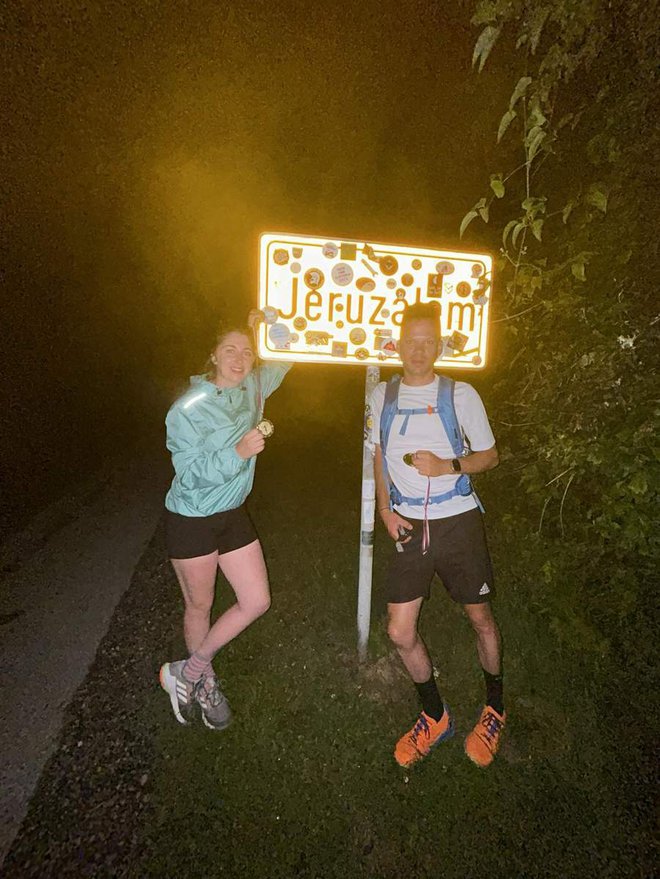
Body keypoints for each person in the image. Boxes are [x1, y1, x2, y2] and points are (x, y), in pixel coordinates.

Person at [370, 301, 505, 768]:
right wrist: (384, 509)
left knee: (480, 618)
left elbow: (489, 455)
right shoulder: (381, 396)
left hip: (458, 521)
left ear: (440, 345)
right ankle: (435, 715)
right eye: (412, 341)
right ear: (398, 344)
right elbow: (379, 453)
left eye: (429, 341)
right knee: (399, 630)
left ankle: (495, 707)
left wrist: (449, 465)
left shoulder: (460, 394)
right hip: (409, 524)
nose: (419, 350)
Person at [159, 310, 291, 730]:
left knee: (257, 601)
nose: (239, 358)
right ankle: (207, 683)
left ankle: (189, 671)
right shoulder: (187, 409)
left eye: (247, 352)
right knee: (200, 604)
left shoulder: (254, 386)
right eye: (229, 350)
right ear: (213, 356)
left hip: (232, 513)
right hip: (192, 517)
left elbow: (289, 353)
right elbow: (190, 474)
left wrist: (265, 327)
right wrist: (237, 454)